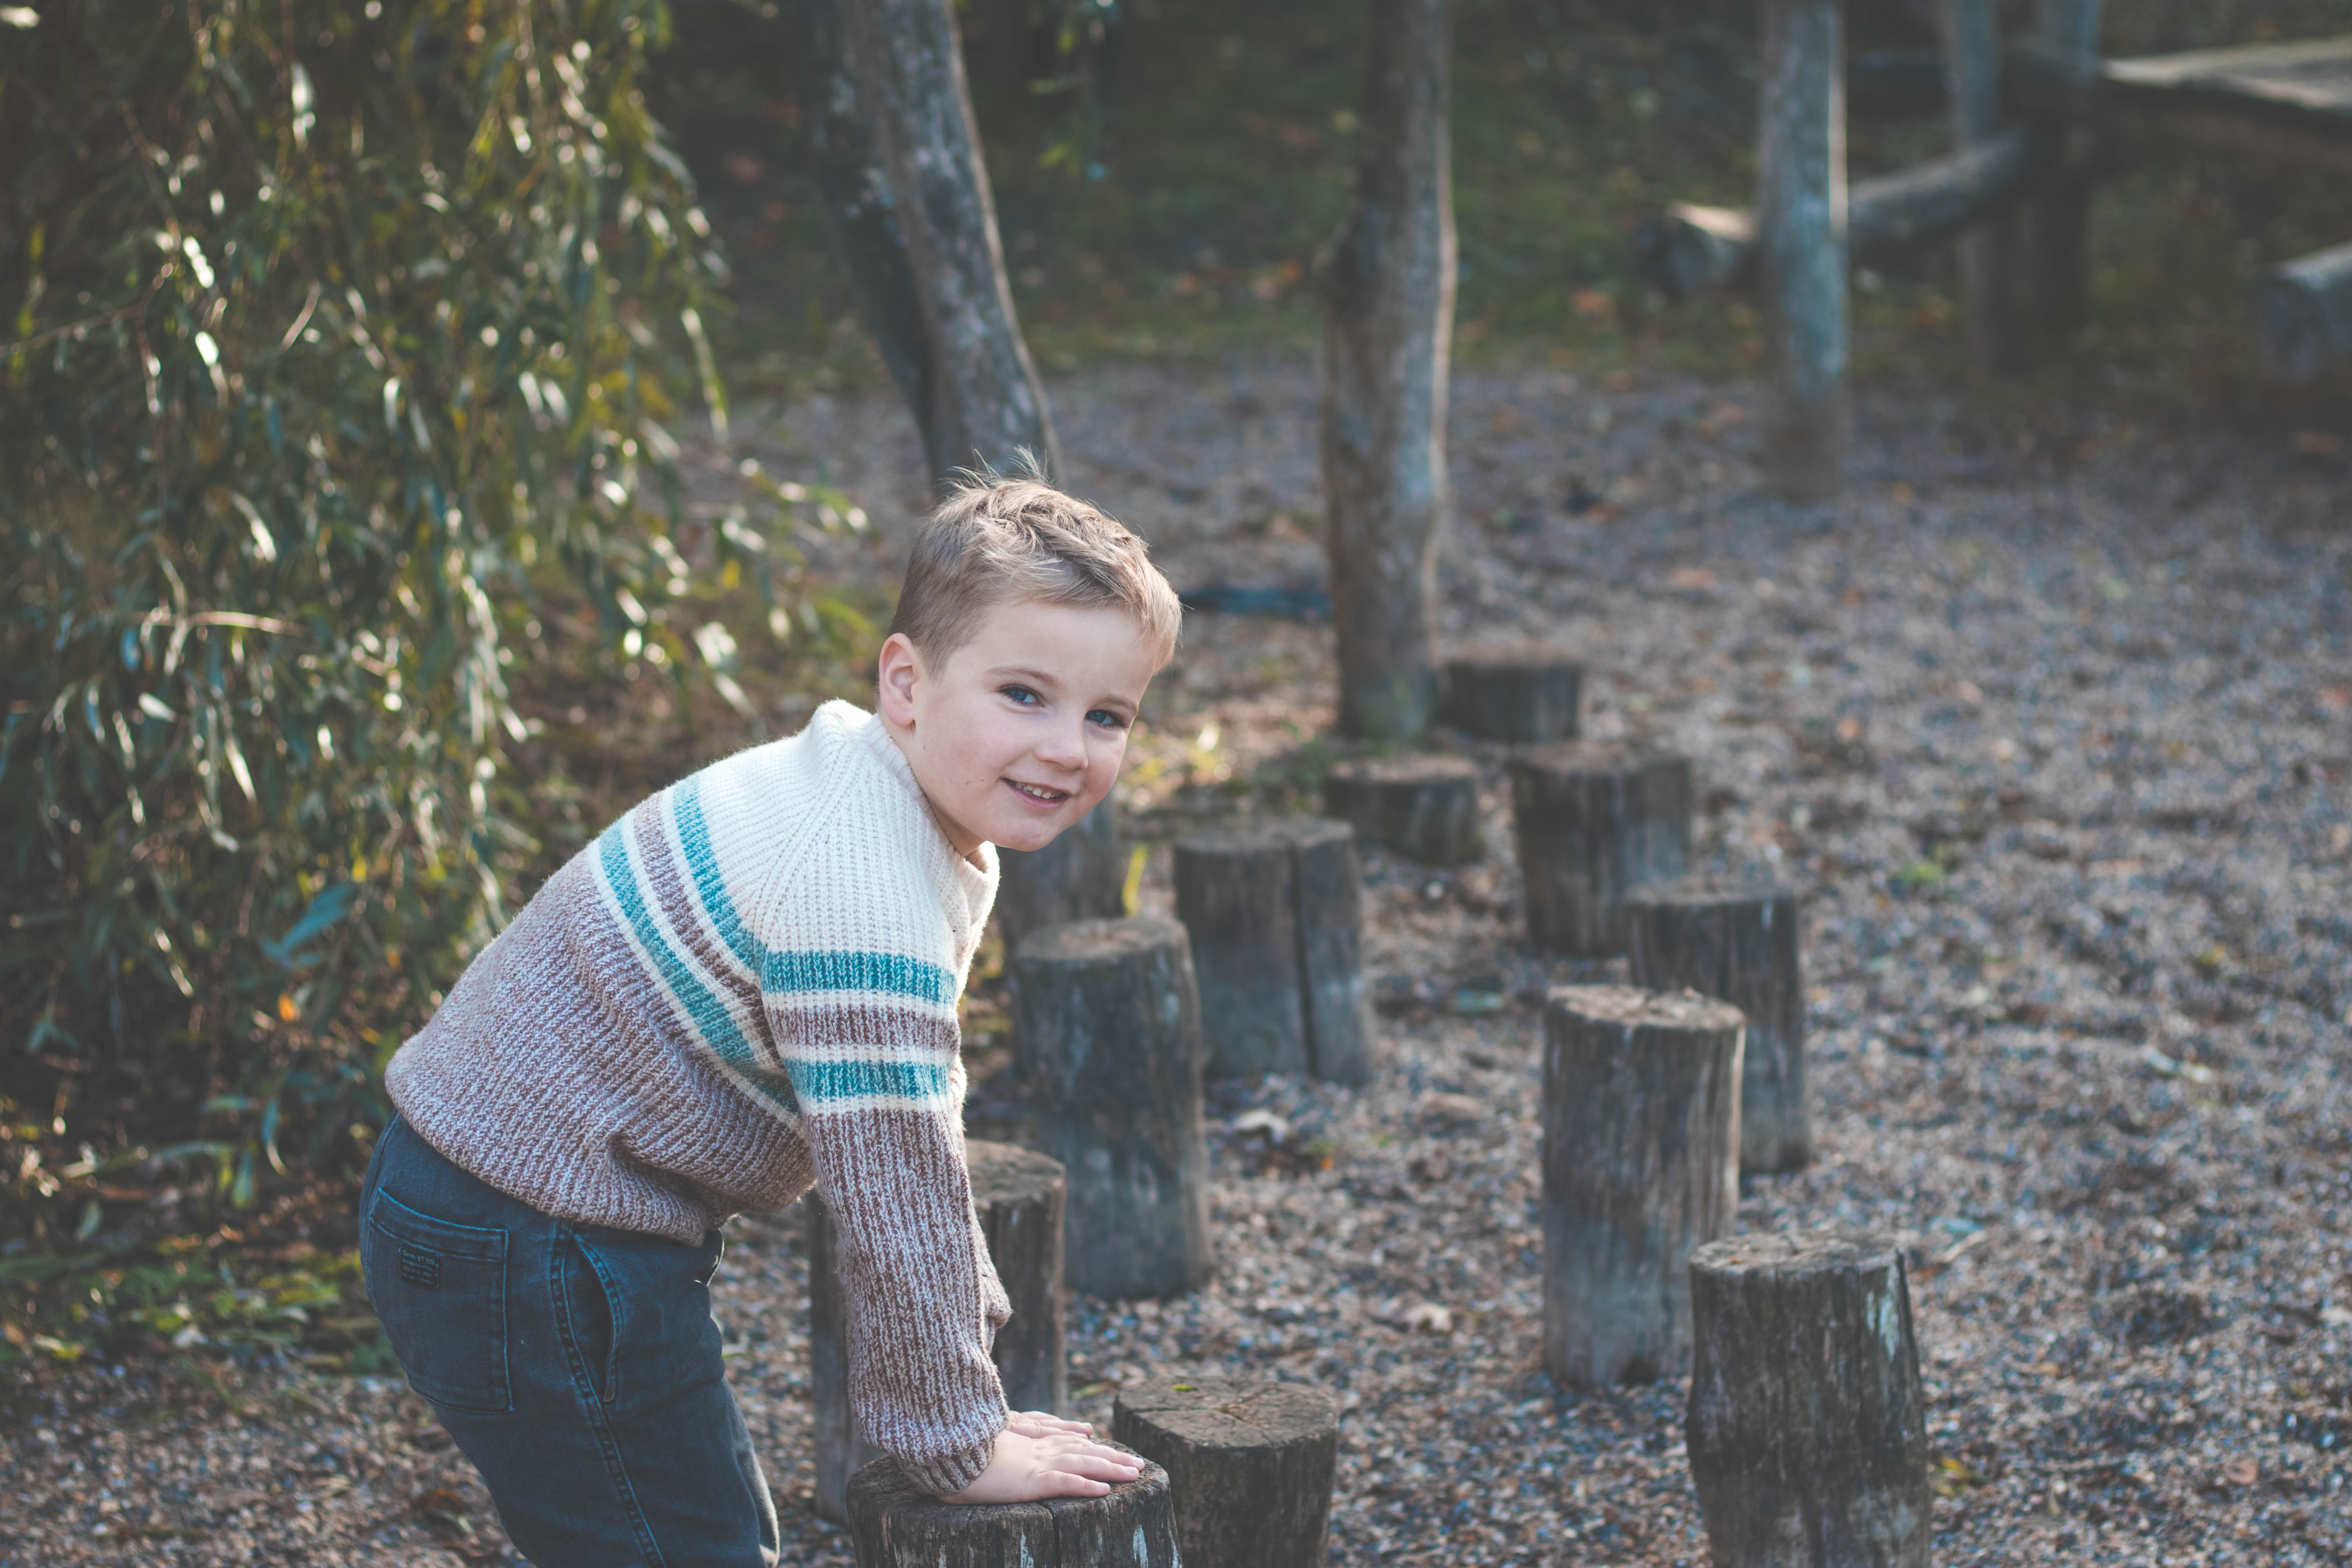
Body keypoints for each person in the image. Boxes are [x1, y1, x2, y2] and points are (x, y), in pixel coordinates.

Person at [359, 470, 1180, 1566]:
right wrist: (955, 1438)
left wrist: (969, 1394)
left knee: (695, 1529)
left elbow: (915, 1121)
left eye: (1107, 715)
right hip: (528, 1239)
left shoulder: (864, 781)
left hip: (500, 1202)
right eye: (1024, 695)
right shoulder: (856, 882)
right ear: (908, 683)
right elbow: (891, 1174)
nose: (1070, 747)